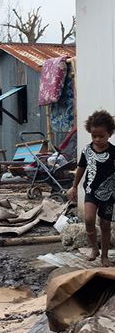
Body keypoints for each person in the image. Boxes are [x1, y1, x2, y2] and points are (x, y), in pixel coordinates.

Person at [68, 110, 115, 267]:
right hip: (91, 191)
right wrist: (74, 187)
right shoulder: (87, 151)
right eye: (94, 136)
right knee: (88, 219)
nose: (97, 139)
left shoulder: (114, 152)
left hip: (109, 194)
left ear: (110, 133)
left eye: (101, 136)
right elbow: (81, 169)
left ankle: (105, 256)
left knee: (105, 225)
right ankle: (94, 248)